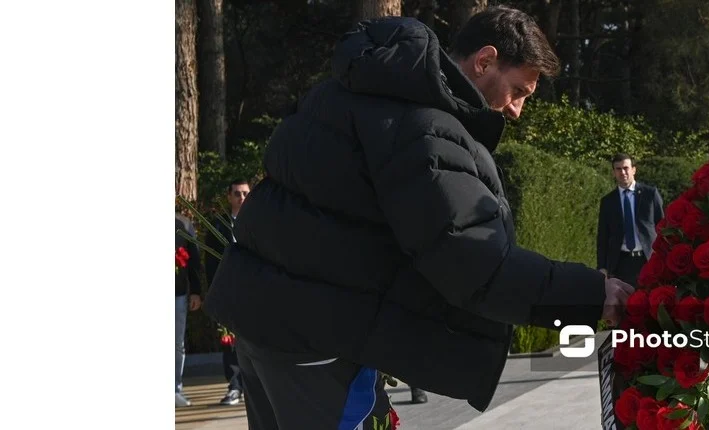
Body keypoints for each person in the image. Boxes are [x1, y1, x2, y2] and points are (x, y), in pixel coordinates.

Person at [203, 7, 633, 429]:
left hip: (263, 327)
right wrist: (593, 294)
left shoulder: (345, 93)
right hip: (319, 344)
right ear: (484, 61)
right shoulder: (425, 130)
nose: (517, 110)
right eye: (518, 91)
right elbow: (476, 264)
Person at [204, 180, 251, 406]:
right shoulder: (218, 226)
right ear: (229, 196)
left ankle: (255, 387)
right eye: (237, 194)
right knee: (230, 343)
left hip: (256, 293)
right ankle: (234, 386)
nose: (241, 198)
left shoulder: (261, 222)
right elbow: (210, 263)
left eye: (245, 194)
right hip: (228, 293)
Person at [596, 154, 665, 286]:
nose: (622, 172)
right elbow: (603, 237)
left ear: (634, 169)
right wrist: (602, 267)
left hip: (647, 260)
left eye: (626, 168)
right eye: (618, 169)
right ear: (614, 172)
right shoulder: (608, 201)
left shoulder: (649, 194)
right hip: (621, 264)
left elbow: (662, 227)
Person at [175, 213, 204, 407]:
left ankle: (174, 389)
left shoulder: (183, 224)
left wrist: (196, 291)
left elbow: (194, 260)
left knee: (176, 344)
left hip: (177, 293)